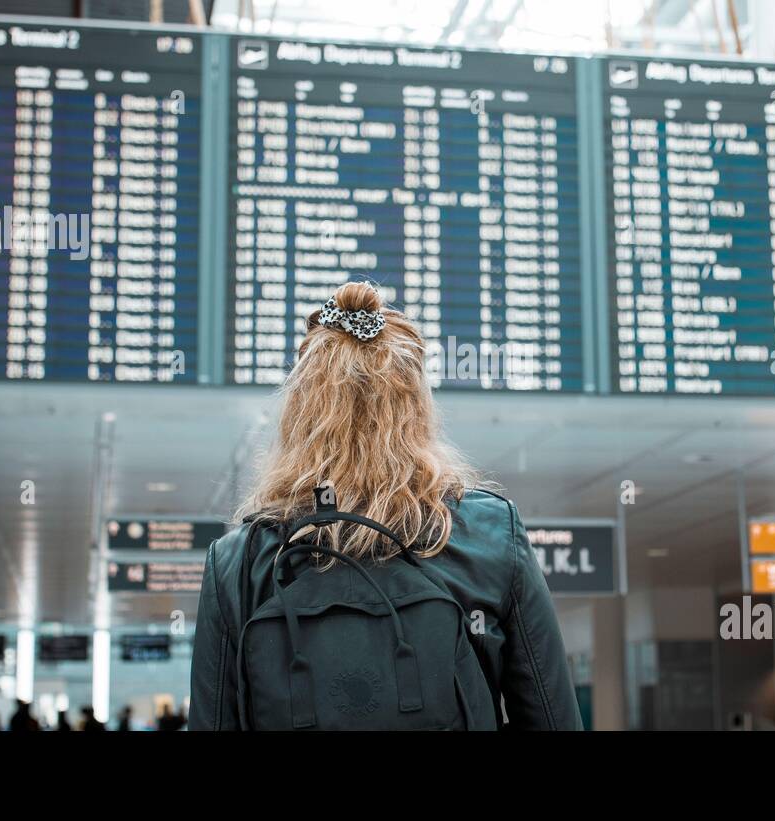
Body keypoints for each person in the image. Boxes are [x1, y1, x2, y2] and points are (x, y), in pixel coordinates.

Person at [190, 282, 580, 730]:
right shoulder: (489, 535)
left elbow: (212, 720)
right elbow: (552, 717)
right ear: (417, 410)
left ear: (299, 415)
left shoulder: (240, 562)